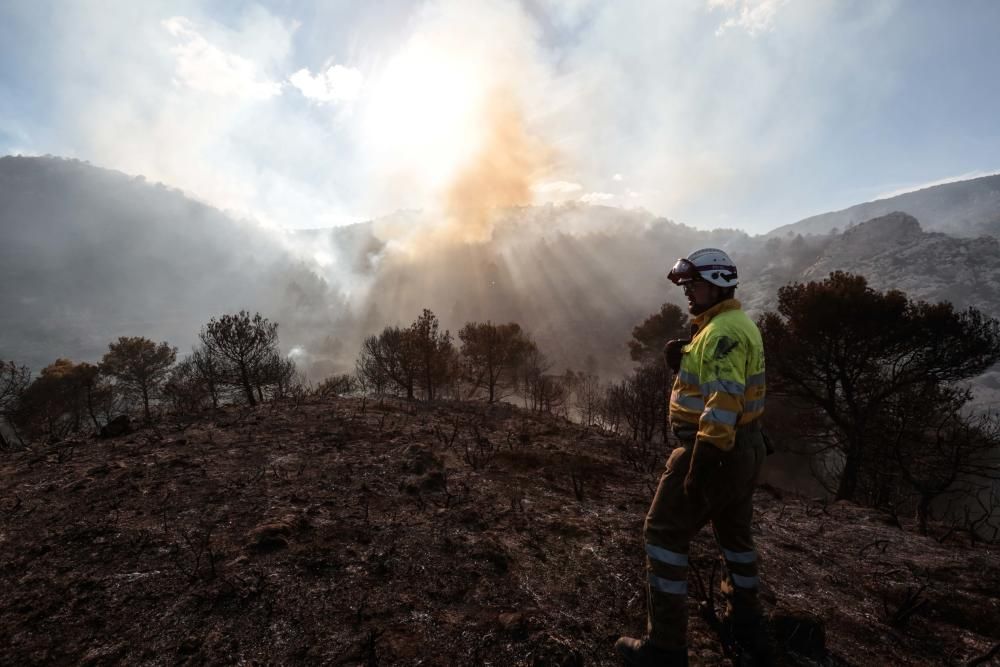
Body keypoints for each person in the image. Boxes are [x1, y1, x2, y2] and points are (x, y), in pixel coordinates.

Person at [616, 248, 769, 666]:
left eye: (693, 285)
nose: (687, 292)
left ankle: (664, 649)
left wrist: (699, 464)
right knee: (735, 537)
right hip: (746, 447)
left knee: (664, 534)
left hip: (715, 448)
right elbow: (726, 377)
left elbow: (722, 403)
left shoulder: (721, 334)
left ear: (716, 284)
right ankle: (746, 623)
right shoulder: (732, 325)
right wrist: (686, 354)